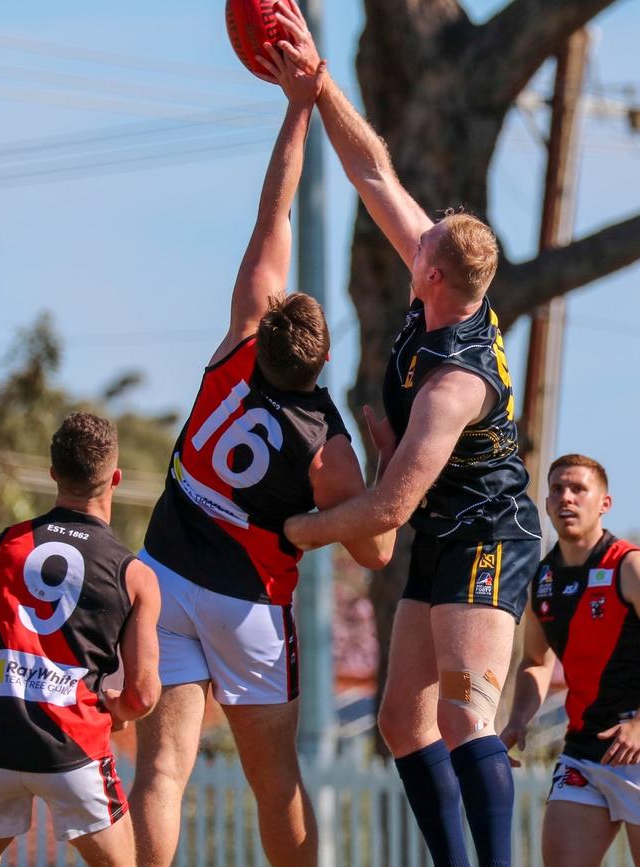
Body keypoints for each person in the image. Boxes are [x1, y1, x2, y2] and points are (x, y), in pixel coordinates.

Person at [258, 4, 542, 865]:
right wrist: (320, 85)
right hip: (449, 529)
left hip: (489, 531)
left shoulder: (457, 380)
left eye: (421, 244)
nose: (408, 241)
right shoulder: (444, 277)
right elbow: (374, 170)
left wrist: (296, 530)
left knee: (462, 712)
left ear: (431, 269)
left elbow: (387, 506)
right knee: (397, 721)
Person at [129, 51, 395, 867]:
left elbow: (273, 210)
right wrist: (379, 462)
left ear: (271, 319)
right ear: (317, 364)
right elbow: (376, 545)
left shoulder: (240, 342)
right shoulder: (327, 442)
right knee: (273, 781)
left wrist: (297, 108)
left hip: (168, 573)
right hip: (248, 602)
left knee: (162, 772)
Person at [0, 412, 161, 867]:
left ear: (52, 475)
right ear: (116, 479)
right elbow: (143, 696)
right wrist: (117, 709)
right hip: (74, 749)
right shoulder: (135, 575)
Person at [501, 454, 640, 867]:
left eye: (579, 489)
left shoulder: (627, 565)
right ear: (545, 504)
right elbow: (534, 661)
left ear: (604, 503)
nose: (567, 497)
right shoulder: (541, 580)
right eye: (557, 488)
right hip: (583, 752)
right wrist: (518, 718)